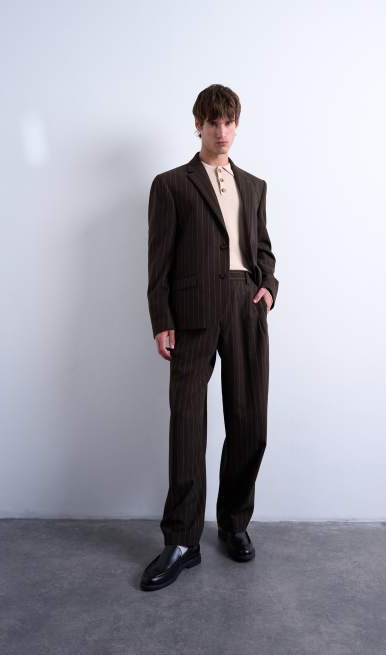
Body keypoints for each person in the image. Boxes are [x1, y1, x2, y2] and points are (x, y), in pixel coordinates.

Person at [140, 84, 279, 591]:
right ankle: (182, 540)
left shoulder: (255, 186)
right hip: (192, 313)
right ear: (197, 124)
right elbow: (159, 260)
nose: (222, 131)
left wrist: (268, 289)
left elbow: (263, 250)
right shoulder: (170, 185)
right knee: (187, 426)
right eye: (213, 122)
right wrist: (162, 319)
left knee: (250, 423)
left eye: (229, 122)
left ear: (237, 125)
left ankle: (234, 522)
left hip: (244, 306)